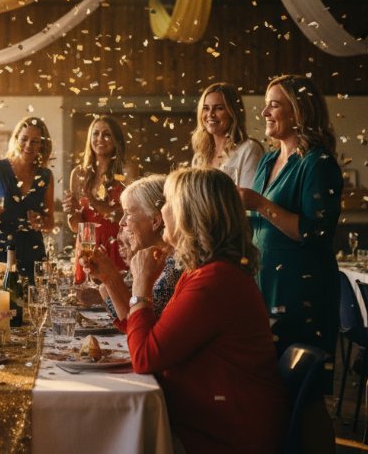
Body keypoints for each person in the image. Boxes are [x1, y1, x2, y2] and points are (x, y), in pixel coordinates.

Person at [126, 167, 288, 454]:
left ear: (190, 214)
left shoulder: (215, 280)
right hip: (205, 421)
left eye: (167, 202)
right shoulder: (203, 272)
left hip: (222, 436)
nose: (161, 211)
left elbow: (145, 356)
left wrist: (140, 288)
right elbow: (161, 339)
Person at [239, 74, 342, 362]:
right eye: (265, 105)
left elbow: (314, 231)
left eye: (273, 105)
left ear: (300, 110)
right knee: (271, 376)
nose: (264, 113)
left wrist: (258, 202)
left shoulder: (318, 163)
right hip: (264, 283)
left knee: (301, 382)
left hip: (301, 289)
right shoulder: (268, 160)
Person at [83, 174, 182, 330]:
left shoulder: (175, 267)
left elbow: (139, 332)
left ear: (155, 221)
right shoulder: (158, 259)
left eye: (128, 214)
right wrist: (108, 277)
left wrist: (111, 279)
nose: (121, 223)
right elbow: (132, 324)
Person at [0, 116, 55, 281]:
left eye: (35, 141)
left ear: (42, 145)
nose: (28, 145)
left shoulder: (46, 175)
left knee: (30, 301)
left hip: (30, 248)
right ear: (16, 139)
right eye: (24, 139)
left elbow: (50, 222)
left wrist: (40, 222)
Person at [63, 115, 128, 283]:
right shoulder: (78, 174)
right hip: (87, 249)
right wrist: (71, 212)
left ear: (116, 139)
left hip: (116, 246)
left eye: (107, 134)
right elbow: (76, 226)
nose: (100, 139)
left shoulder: (126, 171)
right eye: (95, 134)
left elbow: (124, 216)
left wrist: (92, 201)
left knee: (117, 302)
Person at [190, 82, 263, 188]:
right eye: (206, 108)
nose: (210, 114)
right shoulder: (199, 157)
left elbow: (250, 199)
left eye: (219, 108)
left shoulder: (249, 149)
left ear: (233, 112)